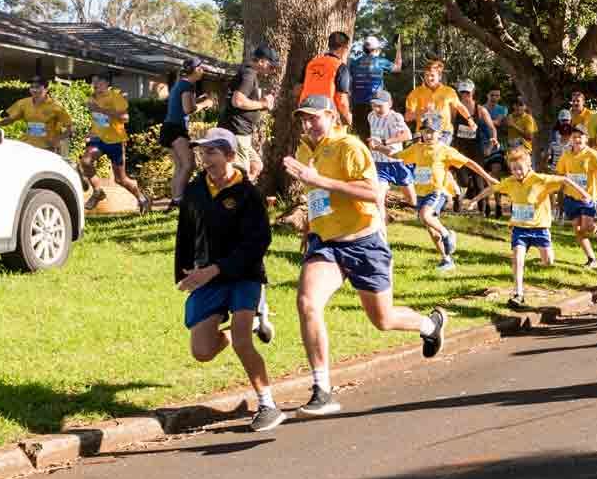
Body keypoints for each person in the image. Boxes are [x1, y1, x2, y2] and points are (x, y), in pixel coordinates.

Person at [282, 94, 447, 417]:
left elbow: (373, 193)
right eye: (304, 118)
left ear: (332, 116)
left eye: (315, 117)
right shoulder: (303, 151)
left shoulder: (350, 147)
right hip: (325, 243)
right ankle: (321, 390)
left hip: (364, 242)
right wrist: (310, 229)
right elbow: (317, 196)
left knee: (383, 320)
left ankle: (430, 325)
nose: (309, 124)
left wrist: (318, 179)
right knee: (307, 303)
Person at [175, 129, 282, 431]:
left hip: (244, 274)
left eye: (212, 153)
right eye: (202, 153)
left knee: (243, 341)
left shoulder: (248, 194)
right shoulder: (195, 191)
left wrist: (215, 269)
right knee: (202, 352)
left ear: (231, 156)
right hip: (208, 278)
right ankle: (246, 327)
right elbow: (186, 232)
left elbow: (258, 243)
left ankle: (267, 405)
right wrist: (185, 270)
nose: (205, 159)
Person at [464, 140, 594, 308]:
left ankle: (545, 257)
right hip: (520, 229)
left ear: (528, 166)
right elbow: (492, 188)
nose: (517, 172)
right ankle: (518, 294)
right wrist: (474, 200)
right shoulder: (510, 181)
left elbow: (564, 180)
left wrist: (583, 193)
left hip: (540, 229)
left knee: (548, 261)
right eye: (513, 169)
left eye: (520, 168)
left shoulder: (540, 179)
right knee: (517, 259)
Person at [399, 116, 491, 270]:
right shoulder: (417, 148)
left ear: (440, 133)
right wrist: (379, 147)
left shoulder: (445, 150)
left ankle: (447, 234)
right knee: (431, 228)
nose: (428, 135)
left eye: (432, 132)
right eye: (425, 131)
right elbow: (396, 155)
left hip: (437, 192)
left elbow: (469, 163)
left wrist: (488, 177)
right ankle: (446, 259)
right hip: (421, 192)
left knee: (425, 215)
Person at [81, 71, 150, 212]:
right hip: (98, 139)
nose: (94, 84)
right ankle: (98, 192)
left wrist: (100, 109)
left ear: (106, 83)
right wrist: (90, 132)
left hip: (115, 141)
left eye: (97, 81)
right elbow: (99, 121)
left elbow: (125, 118)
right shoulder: (92, 99)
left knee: (120, 179)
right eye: (93, 82)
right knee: (86, 161)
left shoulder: (116, 97)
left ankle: (142, 198)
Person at [554, 124, 597, 264]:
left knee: (587, 226)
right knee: (578, 230)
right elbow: (561, 175)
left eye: (580, 137)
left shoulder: (591, 154)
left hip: (588, 197)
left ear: (586, 138)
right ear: (571, 139)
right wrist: (557, 193)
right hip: (571, 198)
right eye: (574, 137)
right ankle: (592, 258)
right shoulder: (566, 155)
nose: (577, 139)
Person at [218, 45, 280, 182]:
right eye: (271, 66)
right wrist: (263, 104)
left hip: (241, 133)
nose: (273, 70)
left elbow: (242, 102)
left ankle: (243, 188)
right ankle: (236, 192)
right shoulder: (249, 74)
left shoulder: (248, 73)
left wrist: (262, 104)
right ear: (262, 61)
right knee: (240, 174)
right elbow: (238, 101)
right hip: (237, 132)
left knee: (256, 166)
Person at [161, 60, 212, 205]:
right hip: (176, 129)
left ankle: (175, 200)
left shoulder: (180, 83)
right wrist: (205, 104)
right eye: (201, 67)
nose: (203, 70)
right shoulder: (187, 85)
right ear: (195, 70)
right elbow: (188, 109)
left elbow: (182, 104)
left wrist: (198, 100)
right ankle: (179, 200)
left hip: (168, 128)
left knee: (180, 166)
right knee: (189, 165)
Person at [6, 77, 72, 157]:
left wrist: (56, 139)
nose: (34, 90)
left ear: (46, 89)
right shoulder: (24, 103)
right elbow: (9, 120)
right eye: (32, 87)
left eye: (37, 87)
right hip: (27, 146)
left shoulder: (55, 106)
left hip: (47, 148)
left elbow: (70, 129)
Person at [300, 31, 354, 125]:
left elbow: (298, 89)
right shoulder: (340, 67)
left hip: (305, 111)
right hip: (325, 113)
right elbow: (341, 99)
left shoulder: (311, 63)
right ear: (343, 48)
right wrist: (347, 116)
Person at [405, 60, 464, 134]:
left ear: (439, 76)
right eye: (426, 75)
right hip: (423, 133)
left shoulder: (449, 91)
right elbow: (407, 117)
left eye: (432, 75)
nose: (429, 78)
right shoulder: (415, 93)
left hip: (444, 133)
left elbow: (460, 107)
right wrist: (422, 112)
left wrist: (470, 120)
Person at [347, 36, 391, 136]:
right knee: (377, 134)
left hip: (357, 104)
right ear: (376, 49)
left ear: (364, 49)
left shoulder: (354, 63)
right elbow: (397, 68)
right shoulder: (380, 61)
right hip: (375, 104)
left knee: (362, 134)